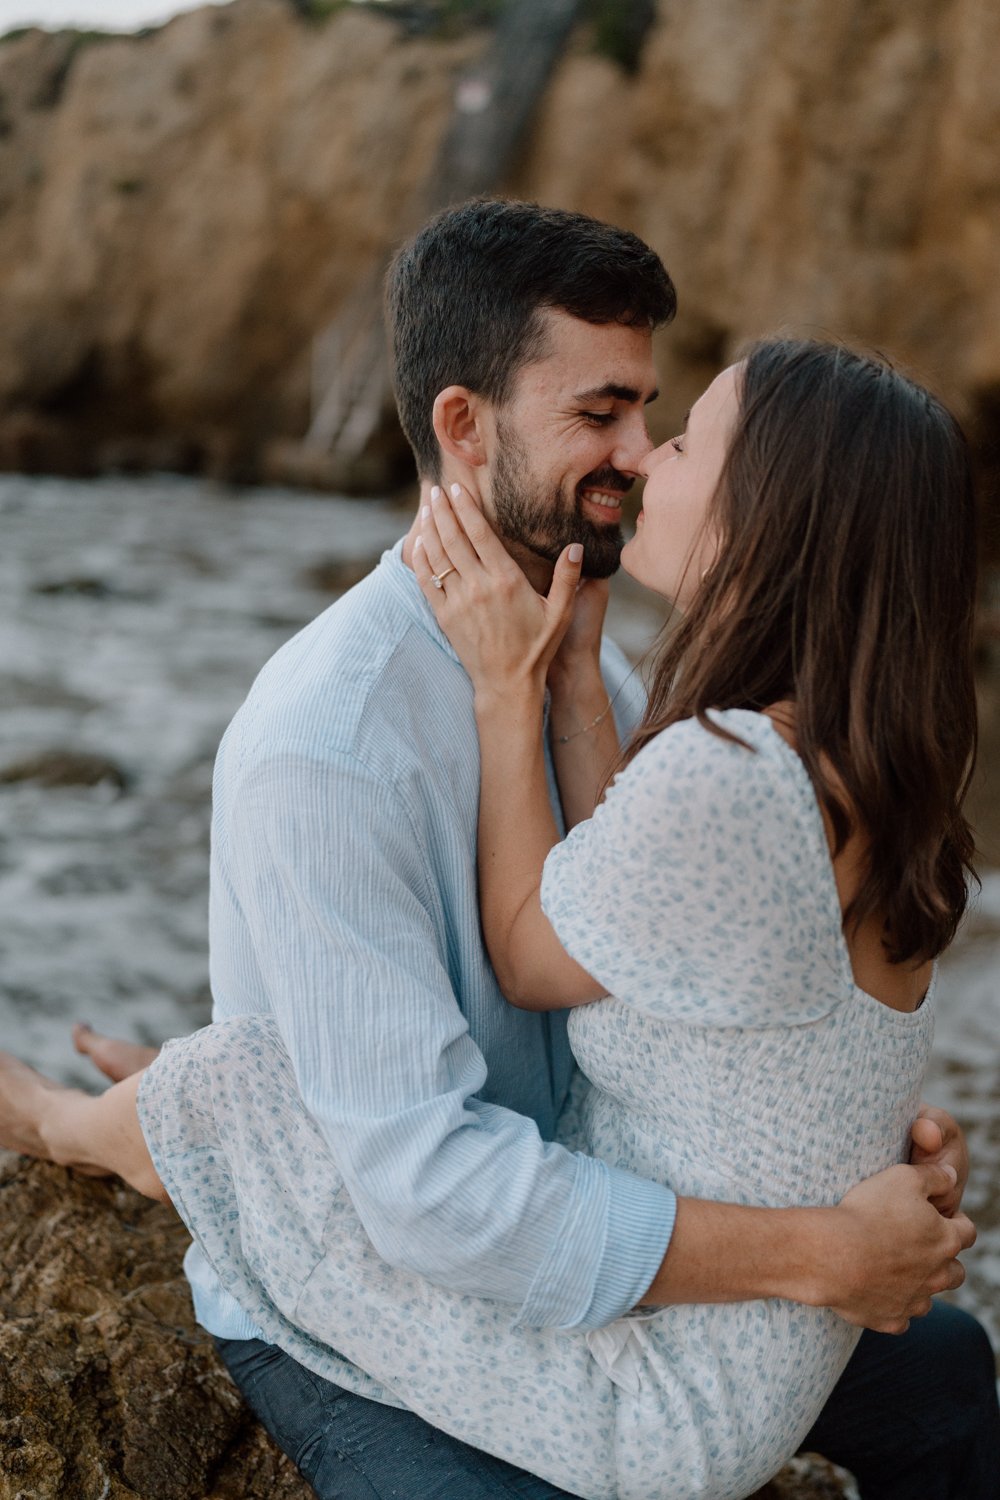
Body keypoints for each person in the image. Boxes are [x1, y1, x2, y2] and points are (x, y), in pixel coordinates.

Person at [0, 203, 995, 1498]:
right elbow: (431, 1197)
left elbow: (705, 981)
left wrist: (846, 1139)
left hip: (603, 1238)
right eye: (605, 414)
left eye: (659, 416)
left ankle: (182, 1110)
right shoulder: (330, 738)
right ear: (465, 427)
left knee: (946, 1371)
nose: (639, 454)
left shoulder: (622, 676)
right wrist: (813, 1247)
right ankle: (110, 1123)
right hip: (416, 1250)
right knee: (237, 1085)